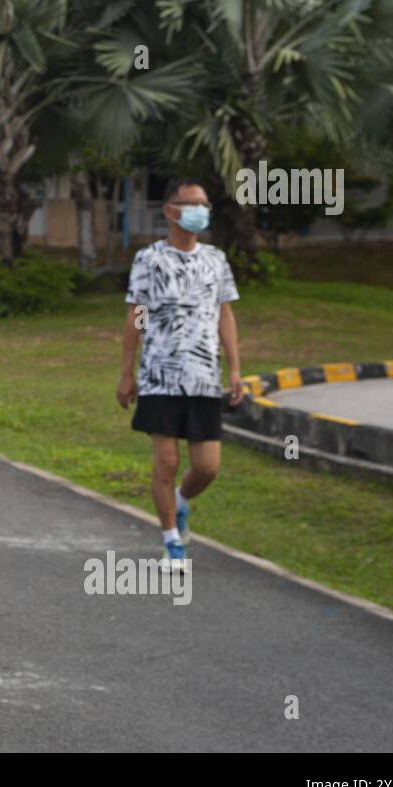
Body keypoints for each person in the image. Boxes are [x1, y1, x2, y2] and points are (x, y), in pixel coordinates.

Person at [118, 179, 243, 569]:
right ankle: (172, 539)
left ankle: (180, 503)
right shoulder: (149, 259)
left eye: (204, 204)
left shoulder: (215, 259)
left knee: (208, 467)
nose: (200, 211)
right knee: (166, 461)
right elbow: (136, 313)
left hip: (205, 376)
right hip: (160, 375)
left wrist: (236, 369)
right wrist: (126, 372)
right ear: (170, 211)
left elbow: (225, 312)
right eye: (191, 204)